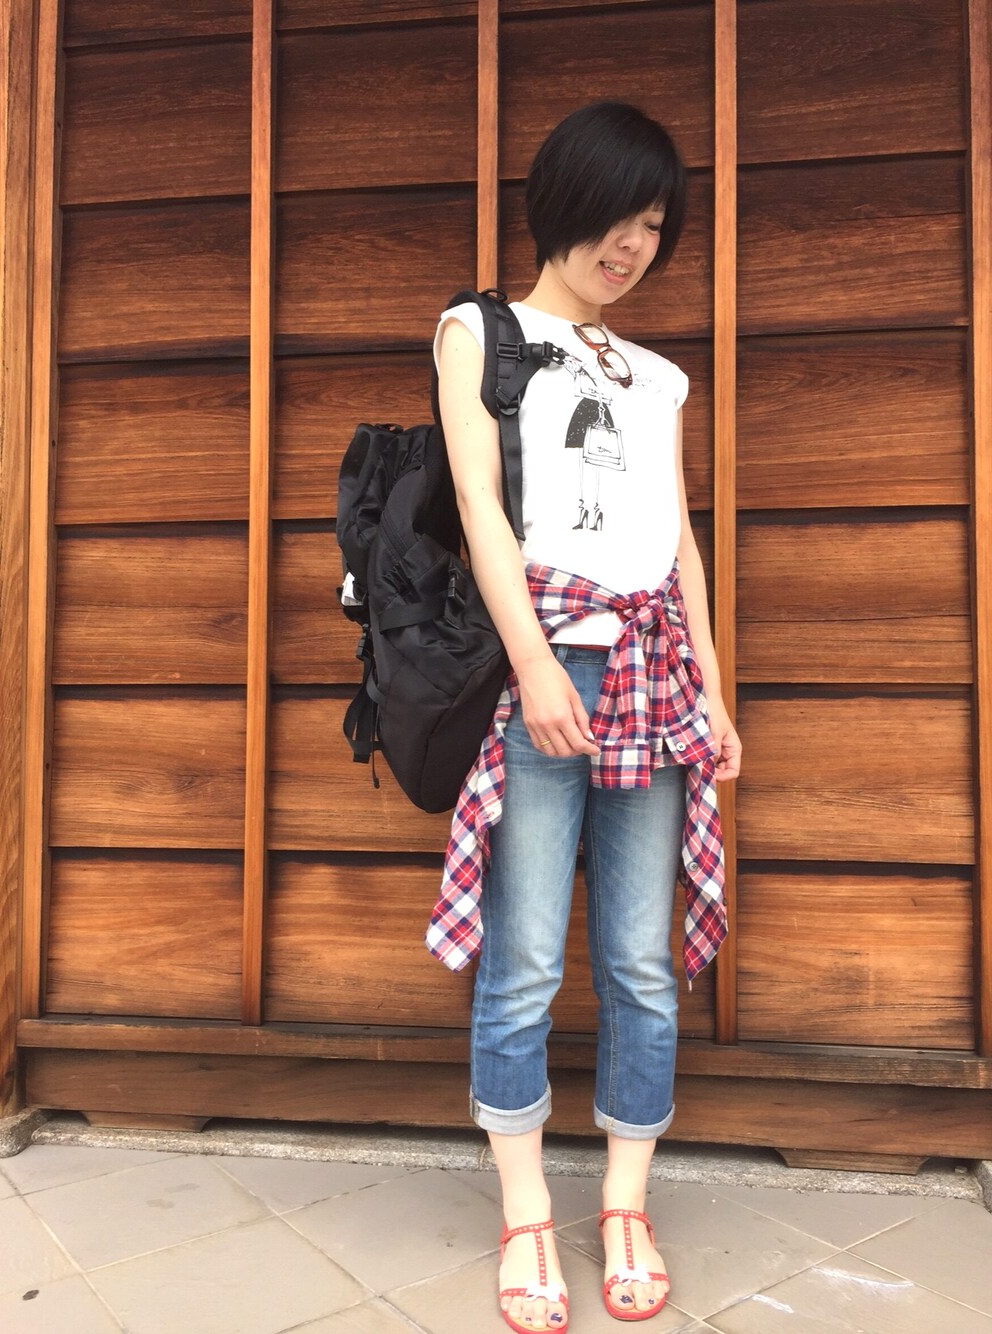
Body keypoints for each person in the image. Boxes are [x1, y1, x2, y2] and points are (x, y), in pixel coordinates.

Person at [427, 102, 742, 1332]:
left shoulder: (656, 377)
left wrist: (711, 685)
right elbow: (477, 502)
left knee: (639, 962)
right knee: (523, 960)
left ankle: (622, 1204)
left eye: (654, 224)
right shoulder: (481, 331)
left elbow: (677, 541)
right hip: (543, 668)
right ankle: (524, 1216)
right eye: (617, 214)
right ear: (560, 202)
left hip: (656, 678)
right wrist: (533, 664)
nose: (631, 244)